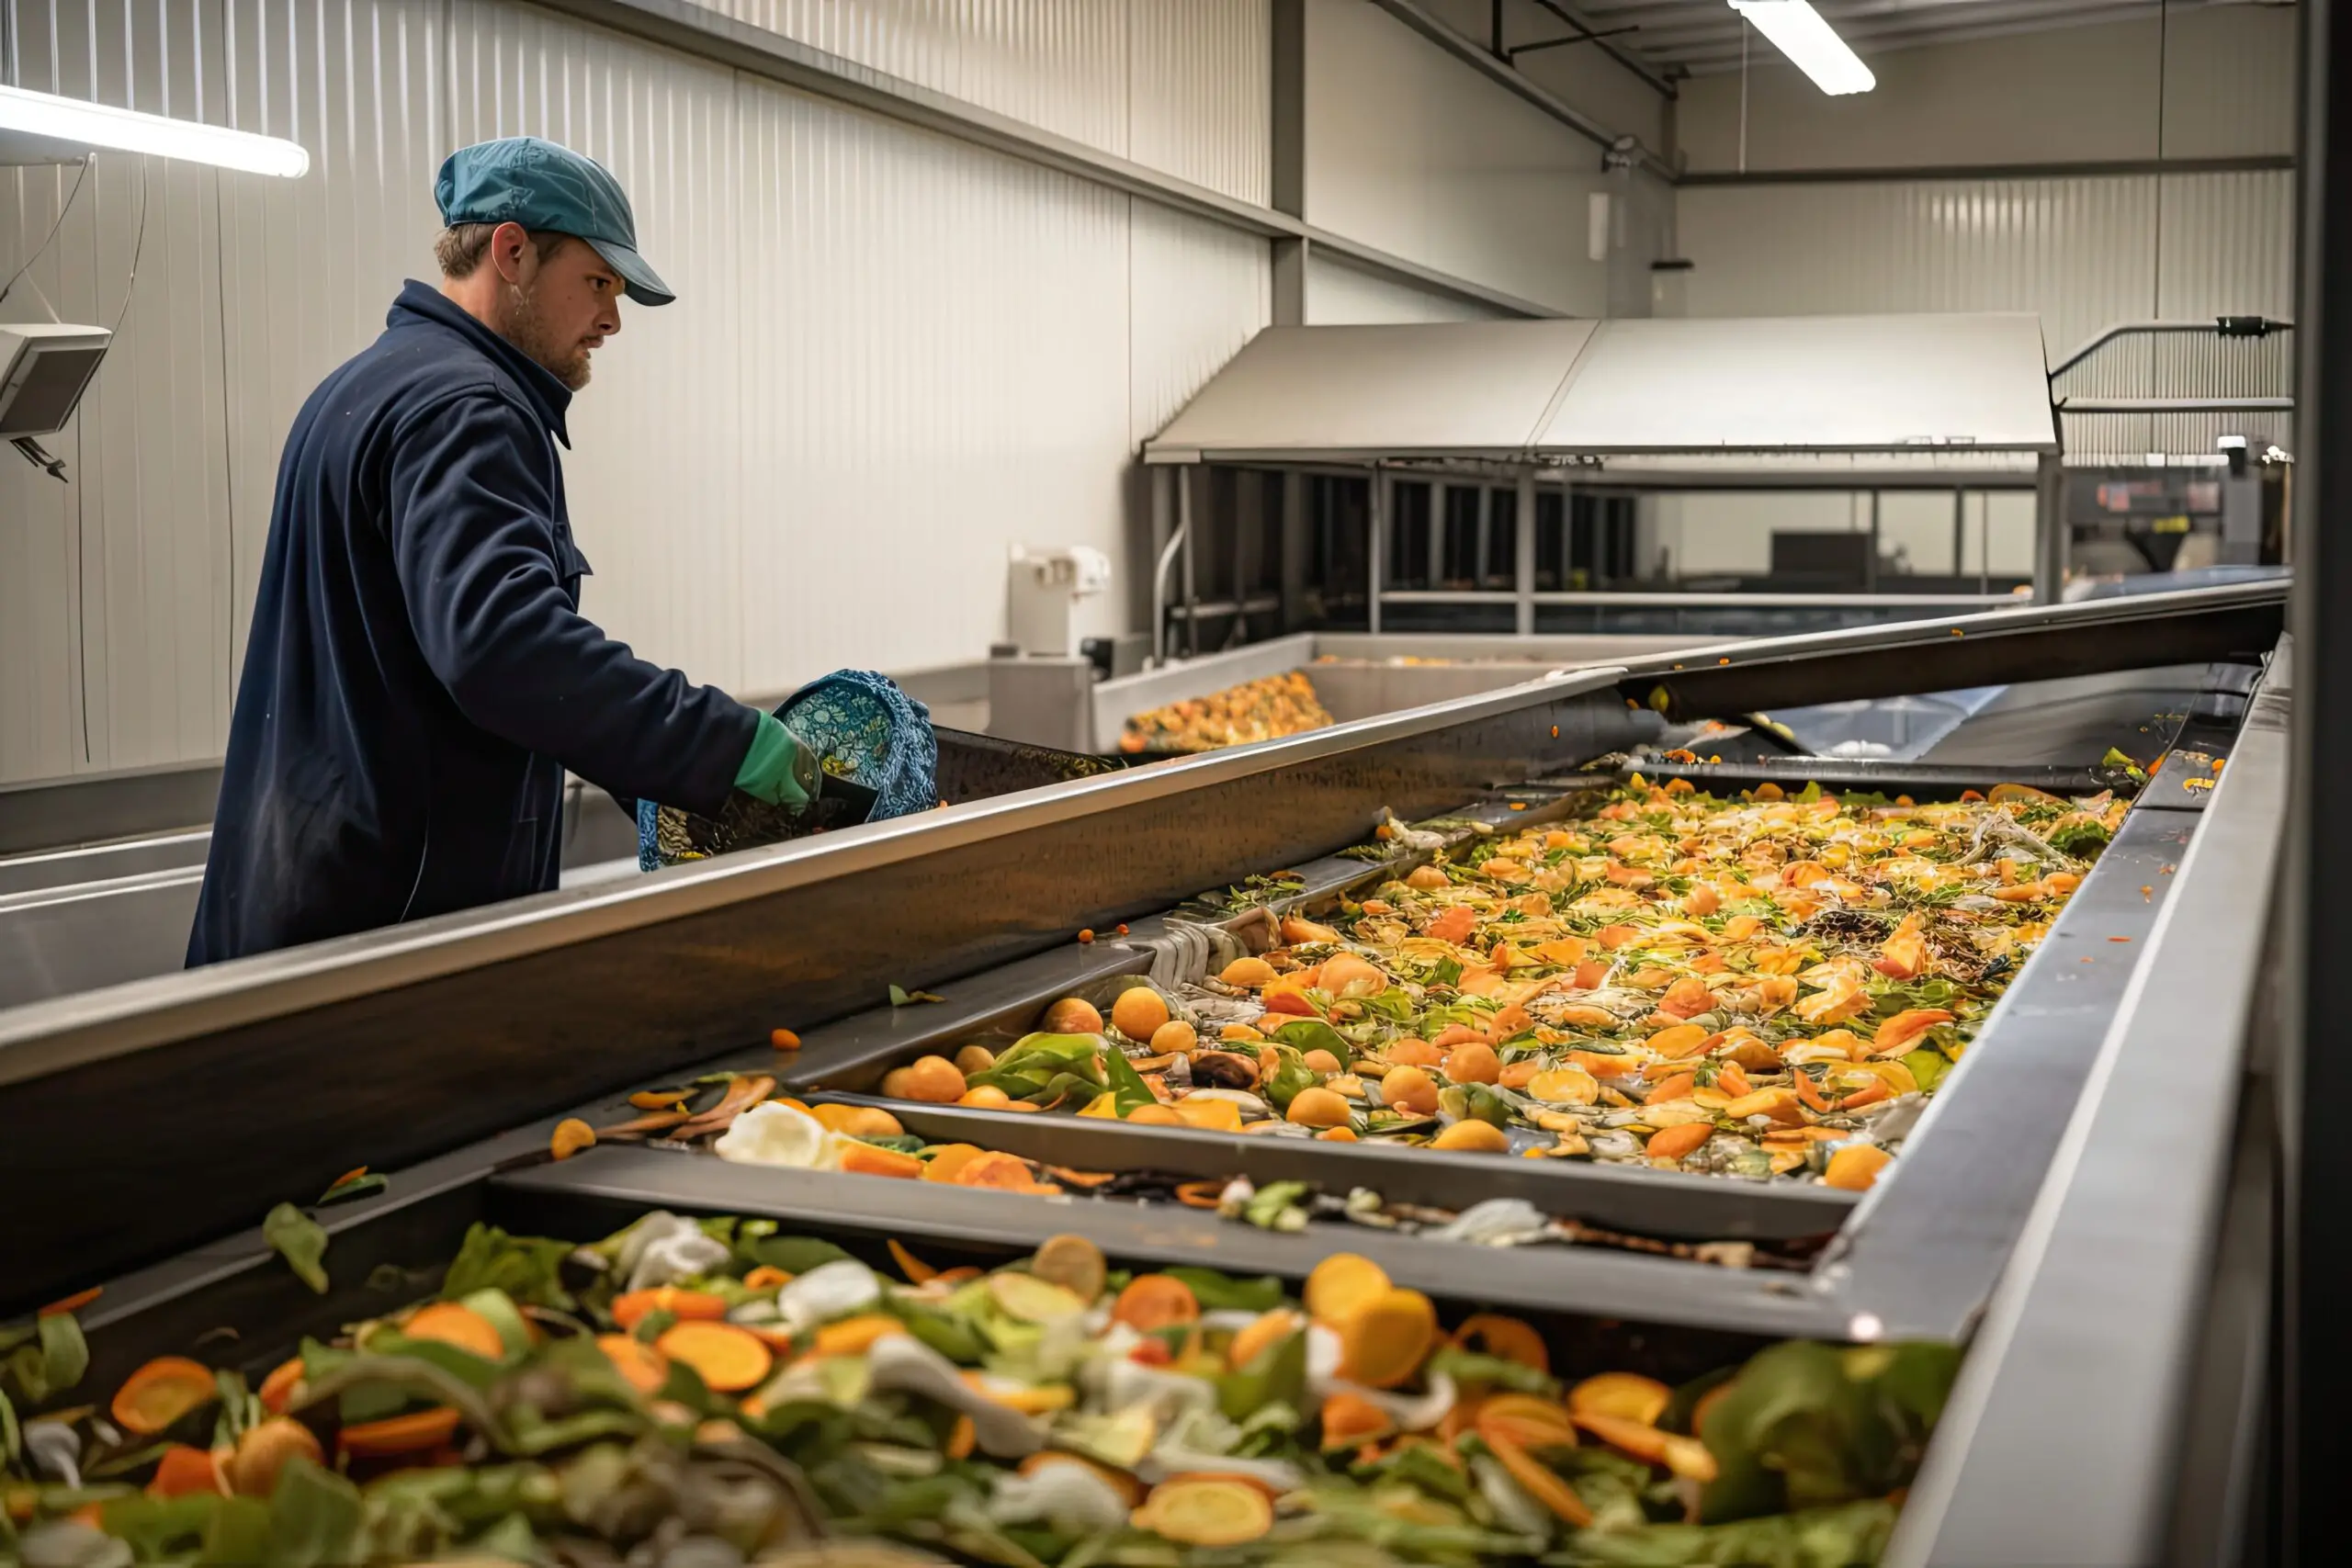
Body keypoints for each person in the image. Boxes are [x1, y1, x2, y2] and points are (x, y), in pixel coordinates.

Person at [187, 136, 815, 966]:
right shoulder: (468, 407)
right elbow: (505, 651)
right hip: (390, 941)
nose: (612, 319)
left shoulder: (362, 388)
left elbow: (446, 661)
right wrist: (726, 746)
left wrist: (651, 776)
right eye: (598, 282)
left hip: (307, 906)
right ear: (512, 251)